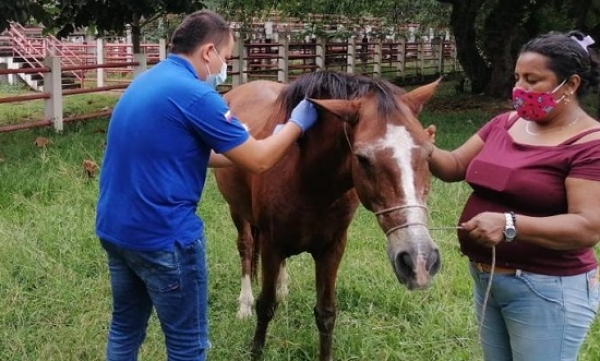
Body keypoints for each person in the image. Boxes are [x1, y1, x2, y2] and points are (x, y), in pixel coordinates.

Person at [95, 10, 318, 361]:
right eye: (226, 58)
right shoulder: (197, 96)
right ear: (208, 51)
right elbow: (260, 161)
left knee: (125, 329)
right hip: (164, 240)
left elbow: (194, 153)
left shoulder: (146, 81)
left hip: (116, 231)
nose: (223, 68)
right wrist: (294, 126)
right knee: (187, 346)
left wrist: (250, 147)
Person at [426, 30, 600, 361]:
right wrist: (424, 148)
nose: (519, 88)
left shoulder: (590, 145)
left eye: (533, 80)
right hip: (488, 279)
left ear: (572, 84)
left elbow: (588, 227)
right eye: (517, 77)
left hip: (548, 289)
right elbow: (453, 166)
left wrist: (510, 224)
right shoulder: (505, 123)